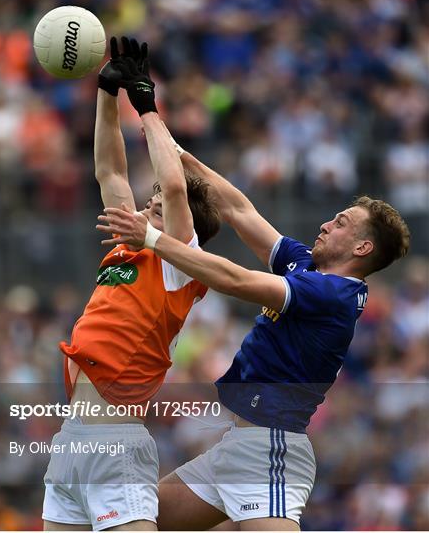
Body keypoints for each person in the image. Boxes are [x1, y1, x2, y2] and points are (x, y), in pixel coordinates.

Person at [97, 140, 410, 531]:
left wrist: (153, 238)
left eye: (342, 223)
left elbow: (235, 280)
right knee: (138, 516)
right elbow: (236, 208)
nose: (326, 224)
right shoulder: (307, 268)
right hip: (237, 445)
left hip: (271, 450)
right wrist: (181, 157)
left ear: (362, 247)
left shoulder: (334, 294)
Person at [42, 37, 220, 531]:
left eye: (155, 208)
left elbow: (178, 185)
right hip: (71, 444)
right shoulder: (129, 248)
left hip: (116, 442)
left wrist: (147, 106)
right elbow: (109, 170)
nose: (144, 209)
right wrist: (107, 91)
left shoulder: (181, 261)